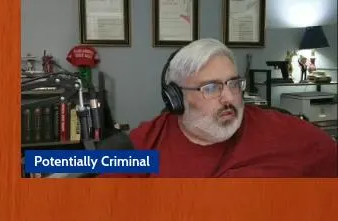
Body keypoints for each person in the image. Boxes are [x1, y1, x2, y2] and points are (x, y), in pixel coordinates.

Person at [127, 38, 336, 178]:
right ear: (176, 98)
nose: (229, 97)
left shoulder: (284, 133)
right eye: (211, 88)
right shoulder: (149, 145)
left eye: (234, 84)